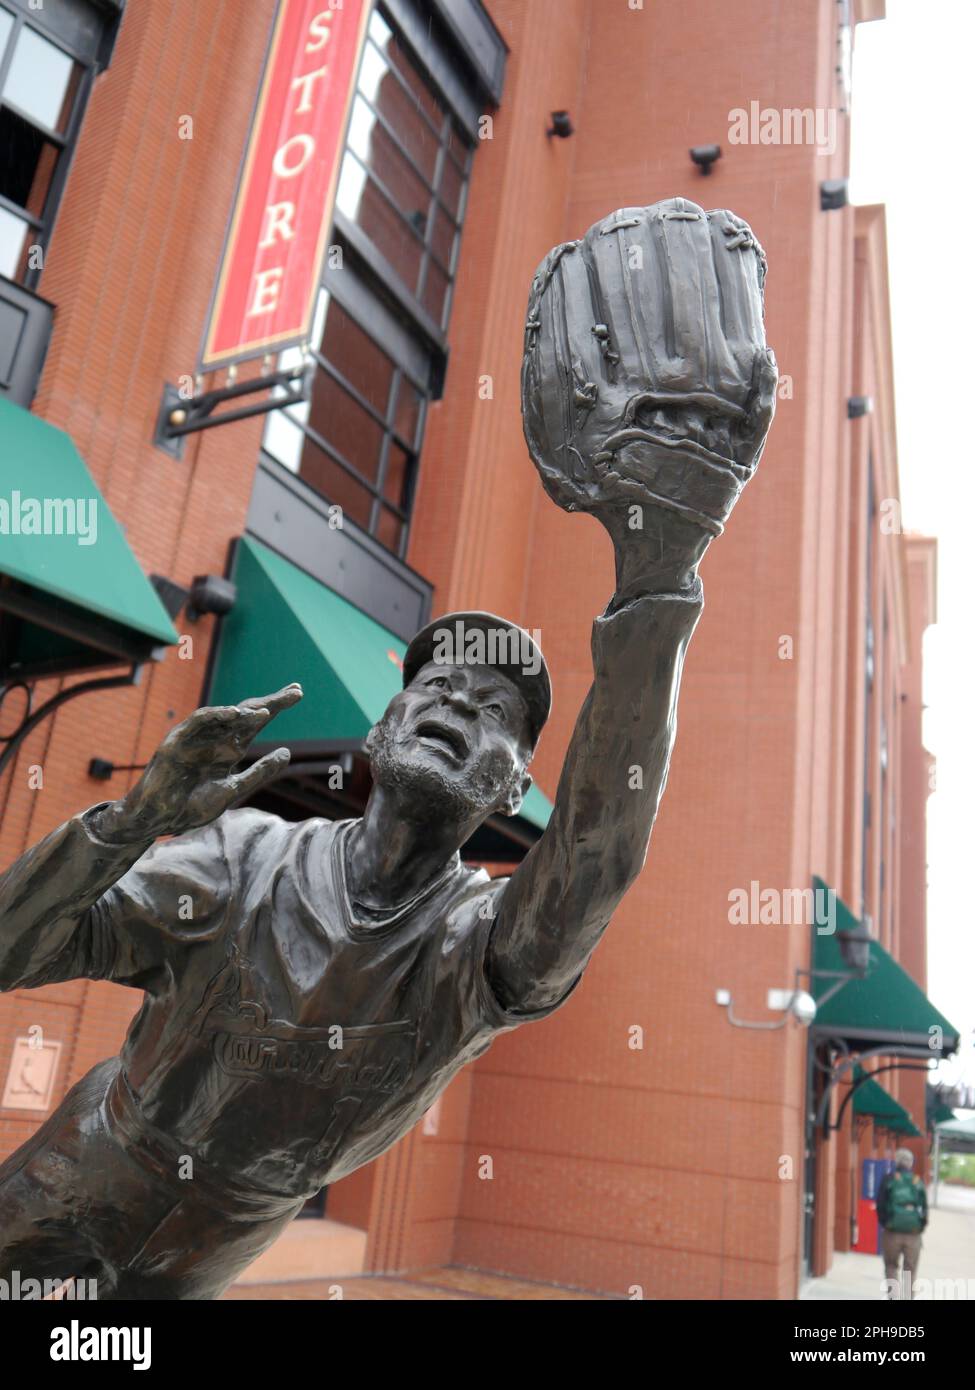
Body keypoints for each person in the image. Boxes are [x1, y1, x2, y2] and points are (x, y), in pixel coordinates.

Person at [0, 198, 776, 1298]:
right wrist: (133, 821)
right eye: (436, 687)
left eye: (498, 712)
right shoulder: (242, 860)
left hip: (209, 1244)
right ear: (381, 730)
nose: (459, 703)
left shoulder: (472, 953)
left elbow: (596, 858)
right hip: (80, 1169)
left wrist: (656, 581)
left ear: (512, 785)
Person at [877, 1148, 927, 1299]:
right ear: (911, 1163)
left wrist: (886, 1223)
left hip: (892, 1232)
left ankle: (893, 1297)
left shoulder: (889, 1179)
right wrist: (920, 1227)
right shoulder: (917, 1181)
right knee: (910, 1270)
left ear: (896, 1161)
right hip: (913, 1233)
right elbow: (924, 1208)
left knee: (891, 1266)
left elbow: (880, 1204)